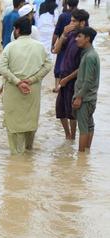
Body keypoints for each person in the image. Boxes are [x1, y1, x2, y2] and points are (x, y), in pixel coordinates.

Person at [0, 18, 52, 154]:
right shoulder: (40, 47)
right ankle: (28, 157)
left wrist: (18, 82)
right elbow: (48, 65)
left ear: (17, 30)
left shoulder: (10, 47)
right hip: (32, 90)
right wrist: (32, 79)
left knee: (14, 126)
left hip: (14, 91)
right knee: (30, 123)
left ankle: (17, 160)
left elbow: (3, 69)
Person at [53, 8, 88, 140]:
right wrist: (63, 34)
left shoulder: (84, 40)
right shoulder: (71, 35)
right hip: (64, 78)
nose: (71, 23)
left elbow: (82, 67)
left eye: (74, 21)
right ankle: (68, 135)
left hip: (73, 81)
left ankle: (72, 136)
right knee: (60, 110)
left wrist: (67, 79)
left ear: (82, 22)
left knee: (72, 112)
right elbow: (55, 50)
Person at [72, 27, 99, 152]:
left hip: (85, 98)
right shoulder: (91, 54)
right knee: (89, 125)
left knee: (83, 128)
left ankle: (81, 158)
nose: (76, 39)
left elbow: (88, 80)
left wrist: (79, 97)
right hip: (90, 97)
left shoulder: (89, 56)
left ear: (87, 39)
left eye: (79, 36)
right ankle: (86, 154)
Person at [53, 0, 78, 90]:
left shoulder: (63, 16)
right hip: (75, 46)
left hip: (62, 45)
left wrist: (53, 44)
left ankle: (57, 87)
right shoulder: (81, 17)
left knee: (59, 65)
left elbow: (56, 33)